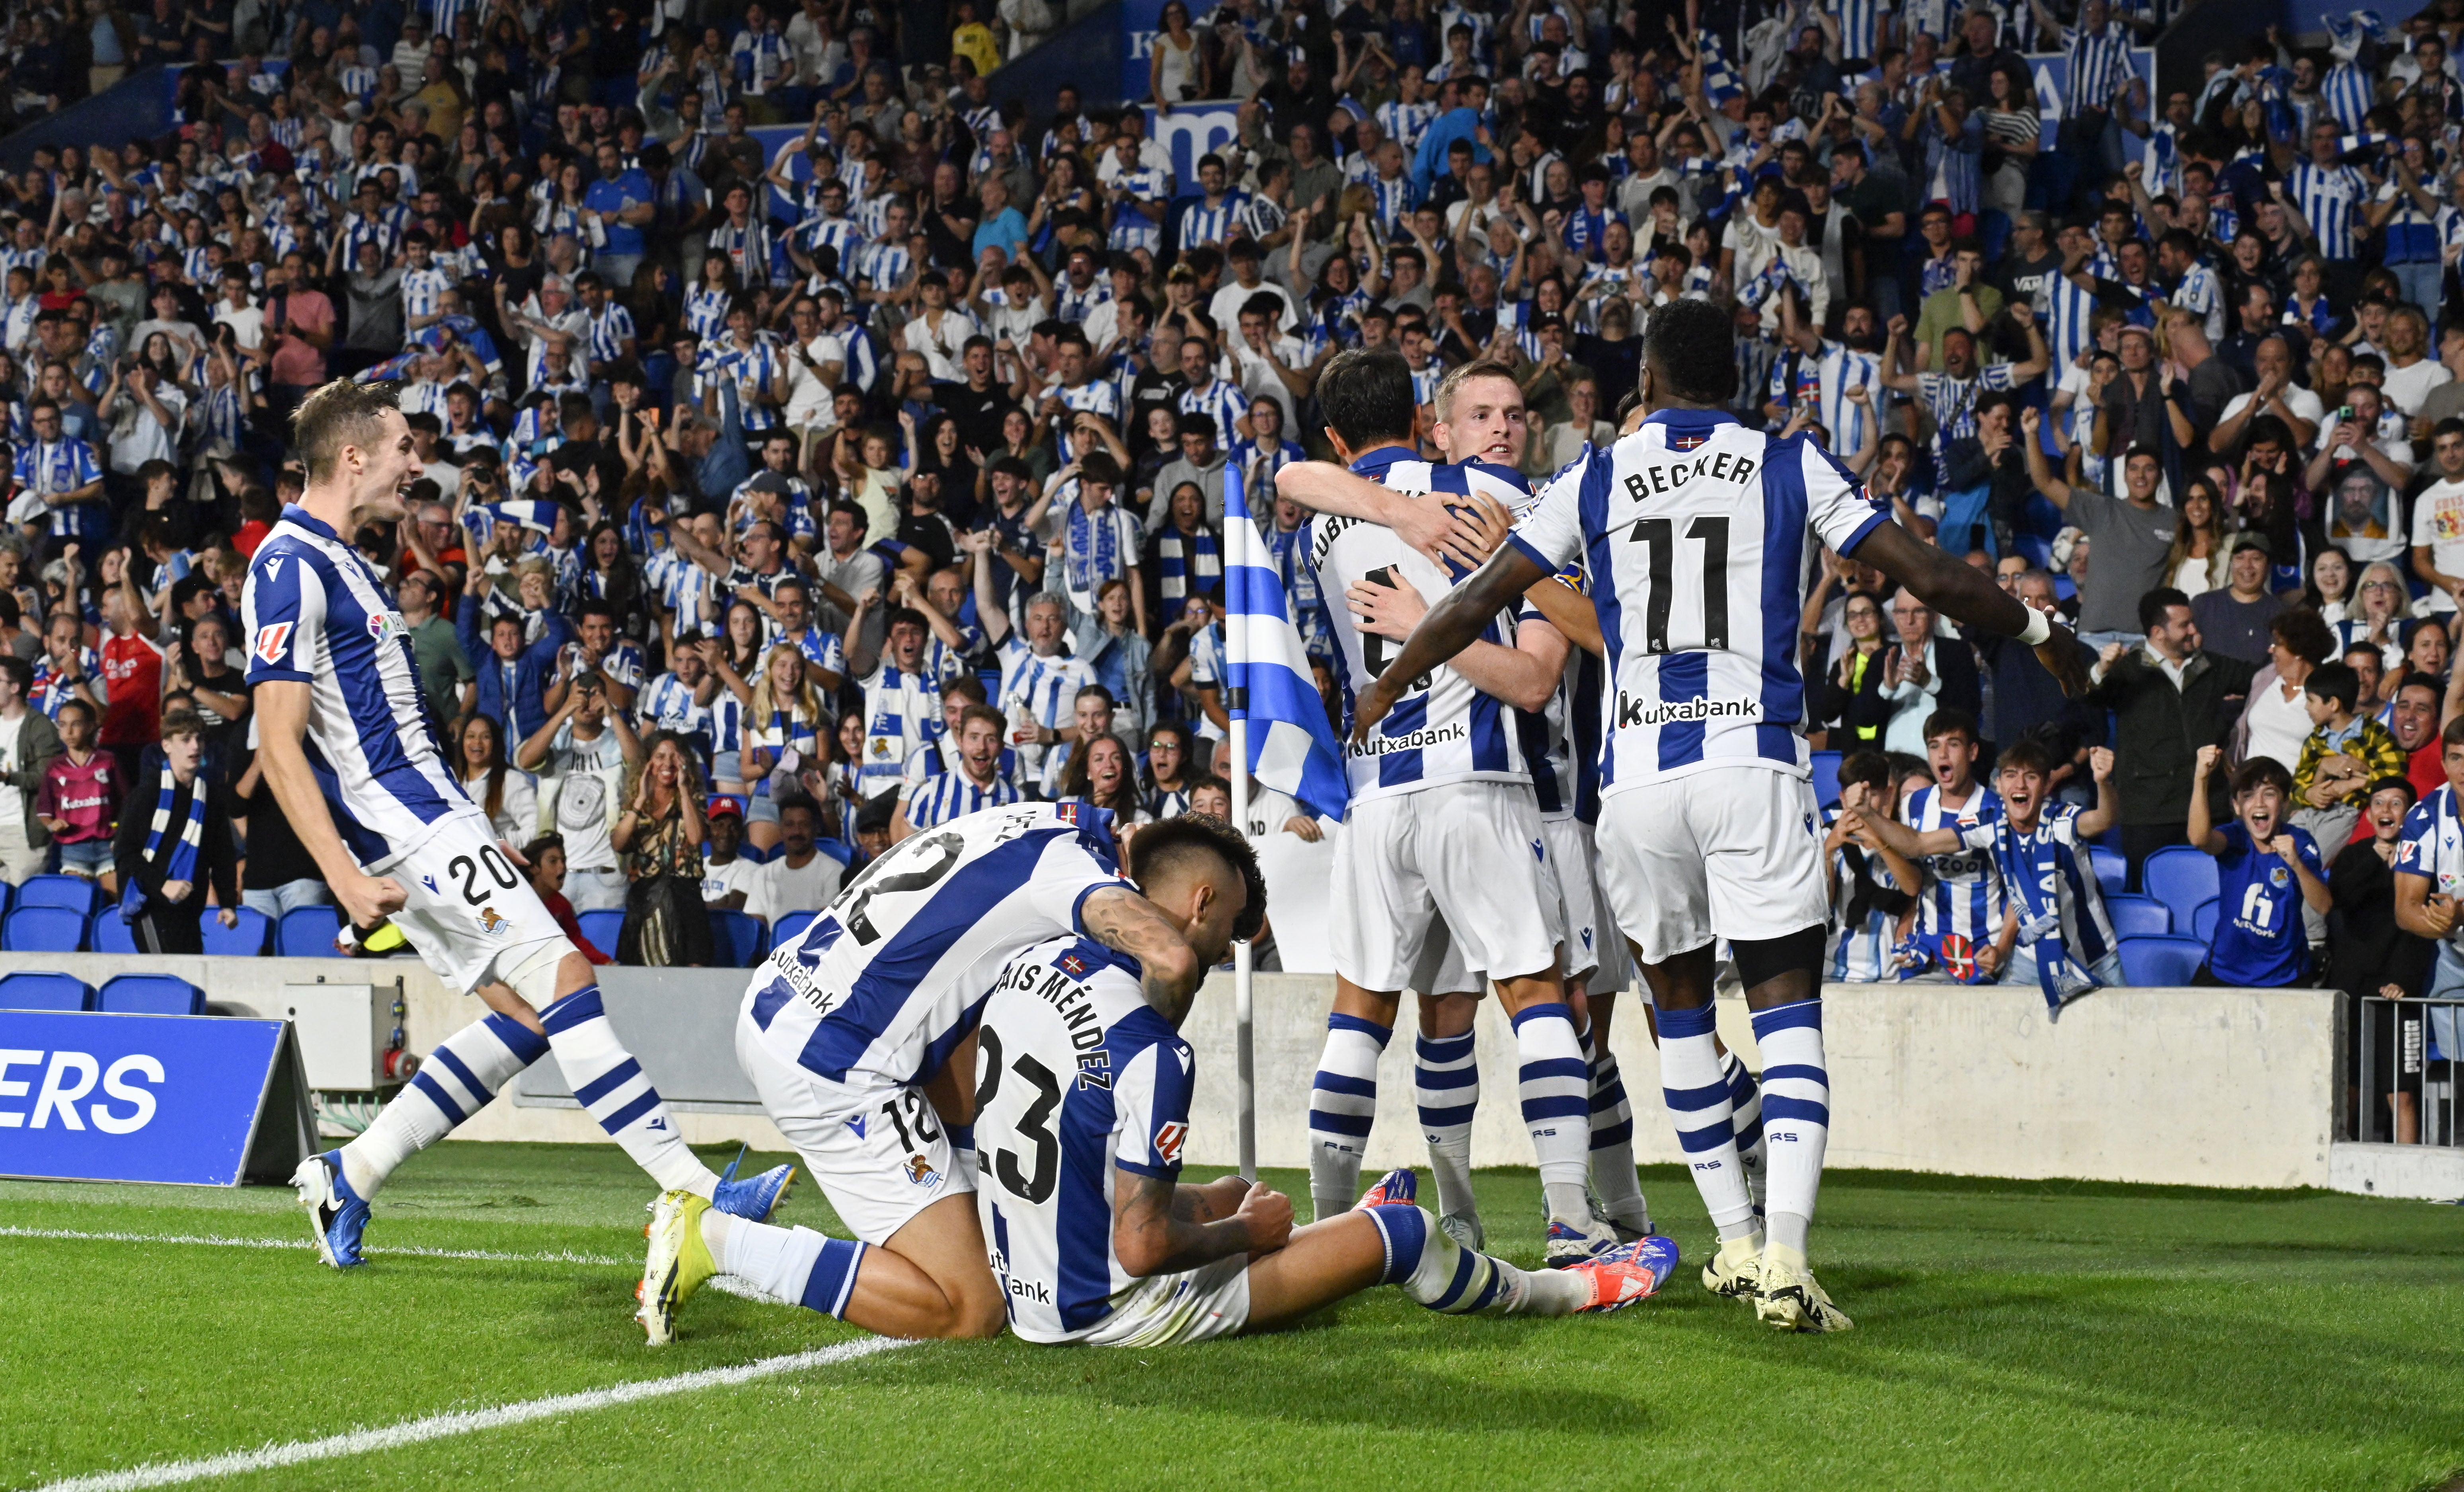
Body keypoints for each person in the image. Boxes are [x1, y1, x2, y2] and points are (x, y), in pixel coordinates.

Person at [1318, 298, 2087, 1332]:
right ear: (1740, 379)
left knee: (1678, 1013)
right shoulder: (1788, 459)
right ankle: (1787, 1253)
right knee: (1786, 1014)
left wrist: (1384, 684)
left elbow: (1473, 599)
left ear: (1646, 378)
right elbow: (1932, 574)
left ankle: (1733, 1239)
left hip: (1636, 782)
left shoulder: (1596, 473)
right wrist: (2043, 630)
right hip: (1748, 761)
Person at [244, 381, 788, 1269]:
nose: (416, 463)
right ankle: (694, 1190)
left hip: (434, 817)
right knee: (568, 975)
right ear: (352, 456)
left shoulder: (343, 559)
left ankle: (351, 1171)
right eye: (403, 447)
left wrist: (460, 822)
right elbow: (277, 740)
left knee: (533, 1016)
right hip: (409, 824)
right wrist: (342, 873)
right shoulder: (288, 563)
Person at [637, 801, 1214, 1344]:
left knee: (977, 1001)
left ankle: (966, 1195)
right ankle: (718, 1239)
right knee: (973, 1306)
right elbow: (1171, 959)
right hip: (834, 1060)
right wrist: (1147, 1056)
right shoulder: (1075, 869)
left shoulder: (1035, 818)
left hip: (786, 994)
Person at [1269, 355, 1610, 1260]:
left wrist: (1383, 504)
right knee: (1534, 994)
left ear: (1335, 435)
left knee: (1360, 1014)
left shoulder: (1318, 526)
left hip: (1376, 793)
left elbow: (1295, 479)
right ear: (1427, 419)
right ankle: (1571, 1220)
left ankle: (1326, 1228)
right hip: (1477, 782)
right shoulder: (1487, 491)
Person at [2090, 589, 2258, 888]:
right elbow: (2087, 697)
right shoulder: (2127, 672)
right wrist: (2102, 668)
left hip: (2210, 807)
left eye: (2192, 622)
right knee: (2151, 896)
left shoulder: (2211, 666)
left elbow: (2262, 678)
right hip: (2148, 813)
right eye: (2184, 625)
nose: (2194, 630)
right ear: (2158, 632)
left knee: (2216, 894)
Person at [2331, 777, 2431, 1142]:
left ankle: (2408, 1172)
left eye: (2396, 803)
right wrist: (2376, 859)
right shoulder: (2353, 855)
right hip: (2352, 986)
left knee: (2402, 1092)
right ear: (2370, 813)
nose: (2386, 810)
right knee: (2348, 1087)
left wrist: (2405, 980)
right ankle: (2343, 1167)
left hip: (2398, 991)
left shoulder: (2423, 860)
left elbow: (2422, 930)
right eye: (2378, 802)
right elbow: (2340, 898)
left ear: (2410, 814)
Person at [2187, 747, 2330, 987]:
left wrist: (2297, 864)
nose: (2259, 803)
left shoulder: (2300, 842)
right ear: (2237, 806)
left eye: (2269, 794)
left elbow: (2324, 906)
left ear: (2285, 803)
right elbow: (2200, 839)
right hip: (2225, 970)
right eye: (2249, 795)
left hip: (2285, 974)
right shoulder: (2235, 836)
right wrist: (2201, 779)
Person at [1893, 710, 2007, 983]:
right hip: (1929, 949)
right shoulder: (1914, 804)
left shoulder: (1996, 810)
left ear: (1973, 752)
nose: (1943, 754)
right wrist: (1908, 916)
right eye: (1934, 746)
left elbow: (2016, 891)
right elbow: (1913, 875)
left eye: (1953, 744)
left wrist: (2002, 948)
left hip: (1984, 954)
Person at [111, 714, 238, 955]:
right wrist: (163, 885)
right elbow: (125, 854)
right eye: (186, 739)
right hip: (150, 907)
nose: (195, 746)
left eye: (200, 739)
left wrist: (228, 903)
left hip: (189, 910)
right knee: (167, 976)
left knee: (191, 977)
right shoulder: (147, 794)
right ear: (167, 745)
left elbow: (221, 854)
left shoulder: (211, 798)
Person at [614, 732, 712, 967]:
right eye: (660, 757)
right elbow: (618, 844)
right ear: (648, 762)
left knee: (692, 972)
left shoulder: (694, 798)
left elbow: (696, 837)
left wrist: (685, 790)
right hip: (644, 898)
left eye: (675, 757)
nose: (668, 764)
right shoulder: (636, 802)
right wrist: (641, 800)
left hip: (686, 897)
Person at [37, 697, 118, 887]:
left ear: (90, 727)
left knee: (115, 900)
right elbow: (44, 810)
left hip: (108, 845)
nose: (69, 732)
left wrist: (120, 833)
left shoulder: (108, 761)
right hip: (73, 849)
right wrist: (52, 825)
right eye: (63, 725)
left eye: (76, 724)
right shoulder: (55, 767)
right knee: (79, 900)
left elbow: (128, 802)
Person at [0, 654, 62, 882]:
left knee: (22, 898)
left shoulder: (40, 727)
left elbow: (48, 778)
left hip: (22, 832)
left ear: (15, 687)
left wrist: (7, 777)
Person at [744, 794, 844, 925]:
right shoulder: (763, 874)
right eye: (789, 825)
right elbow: (756, 925)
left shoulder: (834, 872)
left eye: (804, 825)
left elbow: (827, 927)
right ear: (781, 829)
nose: (797, 832)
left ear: (816, 828)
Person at [700, 798, 762, 913]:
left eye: (733, 827)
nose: (726, 834)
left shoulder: (752, 870)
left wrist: (694, 905)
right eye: (720, 825)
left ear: (741, 833)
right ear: (708, 831)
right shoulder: (698, 866)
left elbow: (731, 907)